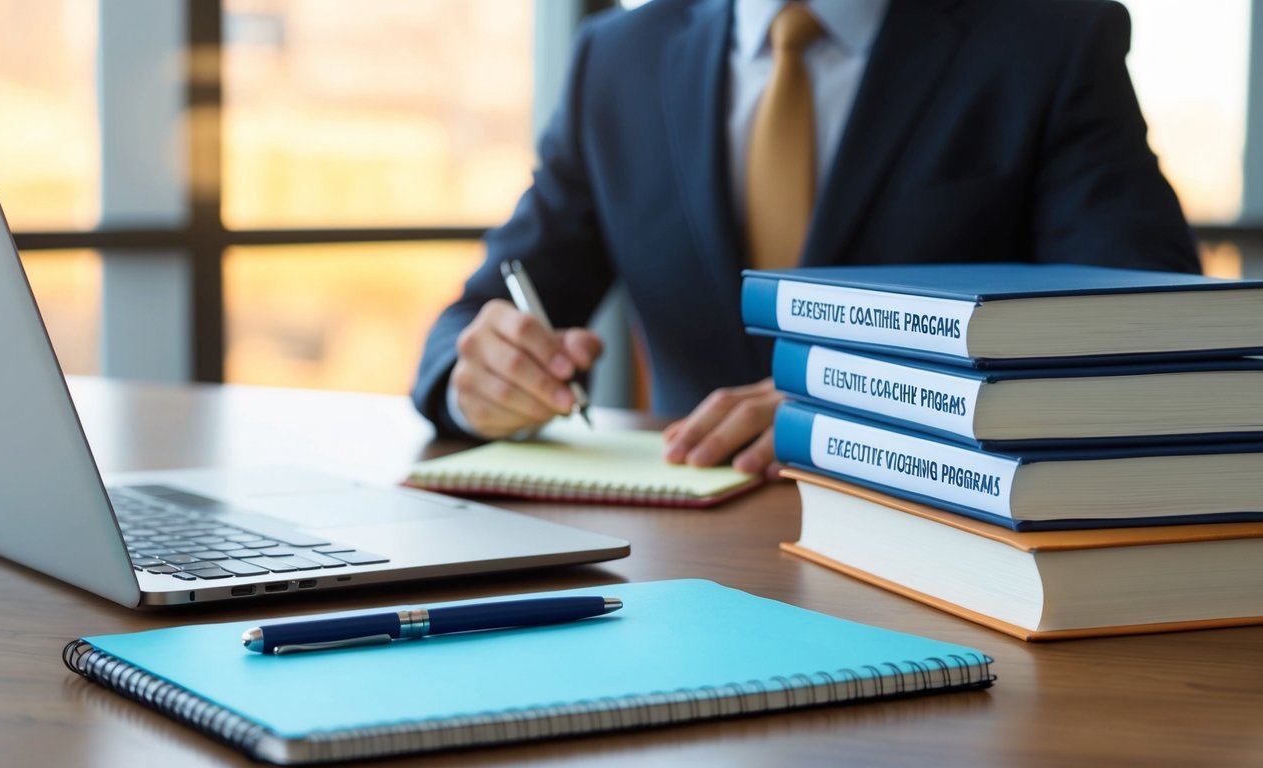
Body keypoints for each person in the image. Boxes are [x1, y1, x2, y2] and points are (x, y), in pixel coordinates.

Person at [412, 0, 1200, 477]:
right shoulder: (617, 60)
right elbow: (483, 309)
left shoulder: (1048, 41)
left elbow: (1143, 333)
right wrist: (472, 375)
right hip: (680, 563)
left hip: (935, 554)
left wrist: (848, 399)